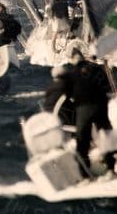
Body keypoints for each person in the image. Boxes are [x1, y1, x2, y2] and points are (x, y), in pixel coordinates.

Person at [44, 43, 112, 176]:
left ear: (71, 58)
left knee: (82, 141)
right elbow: (106, 86)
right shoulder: (97, 68)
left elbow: (64, 95)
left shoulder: (71, 75)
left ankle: (84, 173)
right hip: (102, 105)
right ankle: (111, 168)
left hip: (84, 108)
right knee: (106, 135)